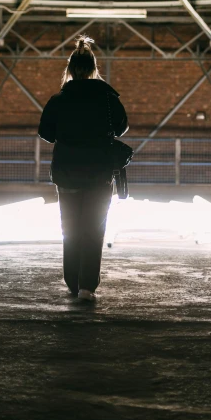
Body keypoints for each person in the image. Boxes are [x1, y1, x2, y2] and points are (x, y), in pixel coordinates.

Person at [38, 35, 128, 302]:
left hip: (66, 172)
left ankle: (72, 282)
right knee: (94, 229)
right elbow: (122, 127)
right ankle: (88, 286)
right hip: (99, 174)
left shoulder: (59, 99)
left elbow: (45, 132)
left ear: (70, 70)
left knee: (70, 228)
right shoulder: (109, 98)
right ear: (93, 69)